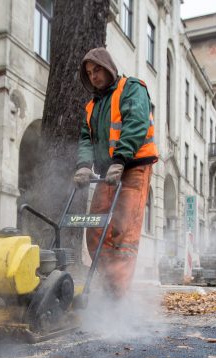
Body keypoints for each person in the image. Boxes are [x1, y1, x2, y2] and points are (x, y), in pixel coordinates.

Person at [73, 47, 158, 299]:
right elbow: (86, 138)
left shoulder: (132, 88)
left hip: (133, 167)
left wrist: (120, 158)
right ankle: (107, 284)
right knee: (95, 229)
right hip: (107, 172)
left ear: (108, 67)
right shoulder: (92, 106)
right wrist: (84, 166)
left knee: (124, 232)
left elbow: (136, 121)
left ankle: (116, 301)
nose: (93, 76)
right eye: (89, 73)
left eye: (97, 69)